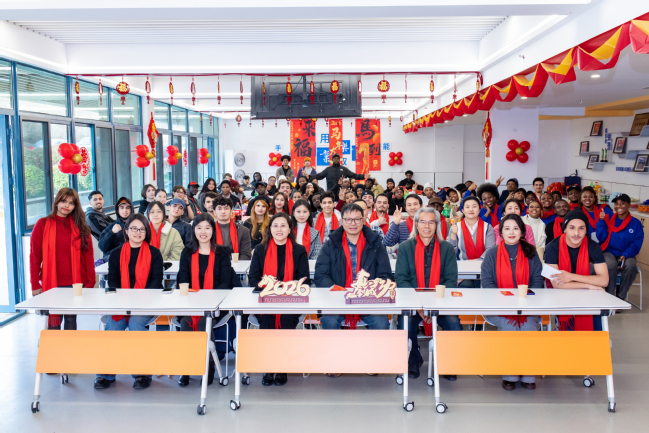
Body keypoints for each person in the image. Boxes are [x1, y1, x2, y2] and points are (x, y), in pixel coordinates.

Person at [95, 213, 164, 390]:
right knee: (113, 327)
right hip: (121, 303)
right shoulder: (116, 254)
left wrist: (140, 300)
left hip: (146, 303)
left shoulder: (154, 253)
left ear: (146, 232)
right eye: (134, 228)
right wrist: (125, 300)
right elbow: (113, 281)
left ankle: (142, 373)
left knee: (136, 325)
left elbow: (157, 281)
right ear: (126, 231)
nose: (138, 232)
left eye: (142, 229)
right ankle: (105, 374)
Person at [395, 207, 460, 379]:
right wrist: (419, 307)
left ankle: (446, 361)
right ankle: (414, 359)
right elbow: (401, 279)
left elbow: (450, 280)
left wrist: (433, 307)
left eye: (431, 222)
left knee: (454, 324)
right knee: (405, 325)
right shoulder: (405, 247)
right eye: (422, 222)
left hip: (440, 301)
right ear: (416, 224)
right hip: (412, 302)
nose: (427, 226)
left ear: (436, 225)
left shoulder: (446, 248)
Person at [481, 214, 544, 391]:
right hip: (498, 307)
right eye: (507, 228)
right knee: (509, 325)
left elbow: (537, 282)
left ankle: (528, 373)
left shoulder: (531, 252)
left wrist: (524, 302)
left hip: (528, 306)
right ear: (500, 232)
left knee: (528, 326)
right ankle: (510, 374)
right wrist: (507, 302)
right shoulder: (492, 254)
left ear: (522, 232)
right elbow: (487, 284)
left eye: (515, 228)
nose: (511, 232)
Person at [314, 203, 392, 341]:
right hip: (338, 299)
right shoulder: (331, 243)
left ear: (363, 220)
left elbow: (385, 274)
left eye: (357, 219)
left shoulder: (375, 243)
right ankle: (335, 353)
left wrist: (370, 291)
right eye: (348, 219)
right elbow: (321, 274)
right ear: (342, 221)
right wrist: (336, 291)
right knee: (329, 321)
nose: (353, 223)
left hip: (369, 299)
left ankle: (374, 353)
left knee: (381, 322)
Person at [249, 213, 310, 386]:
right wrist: (271, 290)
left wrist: (285, 290)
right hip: (266, 300)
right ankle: (269, 367)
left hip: (291, 301)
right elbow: (253, 279)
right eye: (275, 225)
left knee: (286, 320)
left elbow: (304, 279)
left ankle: (282, 366)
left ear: (290, 229)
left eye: (283, 225)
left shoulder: (299, 250)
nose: (279, 229)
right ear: (269, 229)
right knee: (268, 321)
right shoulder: (260, 249)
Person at [176, 213, 234, 387]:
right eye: (199, 228)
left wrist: (209, 299)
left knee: (203, 322)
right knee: (186, 322)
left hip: (216, 304)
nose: (203, 232)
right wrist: (195, 299)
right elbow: (182, 279)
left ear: (213, 230)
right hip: (191, 303)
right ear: (193, 230)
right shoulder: (187, 252)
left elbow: (225, 281)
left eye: (207, 228)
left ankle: (208, 366)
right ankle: (187, 366)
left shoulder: (222, 252)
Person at [30, 188, 95, 331]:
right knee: (53, 324)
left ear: (75, 206)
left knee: (71, 322)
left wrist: (91, 281)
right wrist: (34, 283)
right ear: (57, 201)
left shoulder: (81, 226)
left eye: (71, 203)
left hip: (75, 284)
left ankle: (70, 347)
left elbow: (88, 256)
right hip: (51, 284)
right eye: (64, 201)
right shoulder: (42, 224)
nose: (66, 205)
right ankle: (54, 346)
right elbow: (35, 256)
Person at [544, 209, 608, 330]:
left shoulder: (593, 246)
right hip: (561, 293)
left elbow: (604, 280)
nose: (576, 233)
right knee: (569, 333)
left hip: (586, 293)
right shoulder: (552, 247)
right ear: (565, 229)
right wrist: (588, 286)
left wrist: (571, 277)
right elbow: (557, 284)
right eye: (572, 228)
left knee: (596, 330)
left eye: (581, 228)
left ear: (586, 230)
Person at [596, 194, 644, 299]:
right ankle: (609, 296)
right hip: (609, 251)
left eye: (622, 203)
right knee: (610, 265)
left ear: (629, 205)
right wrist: (601, 221)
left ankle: (620, 297)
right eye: (616, 204)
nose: (619, 206)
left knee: (631, 265)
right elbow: (601, 238)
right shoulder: (608, 219)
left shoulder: (636, 223)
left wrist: (625, 254)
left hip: (627, 252)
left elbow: (637, 243)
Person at [448, 196, 495, 288]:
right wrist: (453, 235)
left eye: (474, 206)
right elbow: (451, 252)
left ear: (479, 209)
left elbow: (490, 249)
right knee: (466, 285)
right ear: (462, 210)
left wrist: (477, 261)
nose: (471, 209)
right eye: (467, 207)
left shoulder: (488, 227)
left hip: (483, 267)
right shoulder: (456, 227)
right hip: (463, 269)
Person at [98, 197, 133, 261]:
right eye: (122, 208)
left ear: (131, 209)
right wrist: (112, 232)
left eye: (127, 207)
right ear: (117, 210)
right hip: (115, 261)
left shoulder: (137, 225)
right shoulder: (112, 226)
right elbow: (102, 247)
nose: (125, 210)